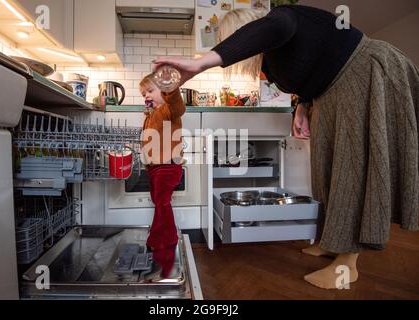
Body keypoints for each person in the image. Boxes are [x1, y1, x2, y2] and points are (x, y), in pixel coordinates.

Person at [153, 5, 419, 289]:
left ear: (246, 31)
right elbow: (311, 74)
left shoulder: (283, 18)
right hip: (329, 93)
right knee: (324, 168)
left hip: (364, 71)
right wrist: (302, 106)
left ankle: (347, 263)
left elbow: (274, 29)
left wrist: (202, 62)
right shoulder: (271, 59)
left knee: (350, 166)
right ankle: (334, 241)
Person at [139, 74, 186, 280]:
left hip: (168, 166)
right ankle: (158, 238)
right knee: (159, 202)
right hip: (155, 168)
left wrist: (170, 87)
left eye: (150, 91)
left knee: (162, 202)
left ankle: (166, 240)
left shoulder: (168, 110)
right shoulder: (151, 115)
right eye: (143, 94)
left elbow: (177, 104)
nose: (146, 96)